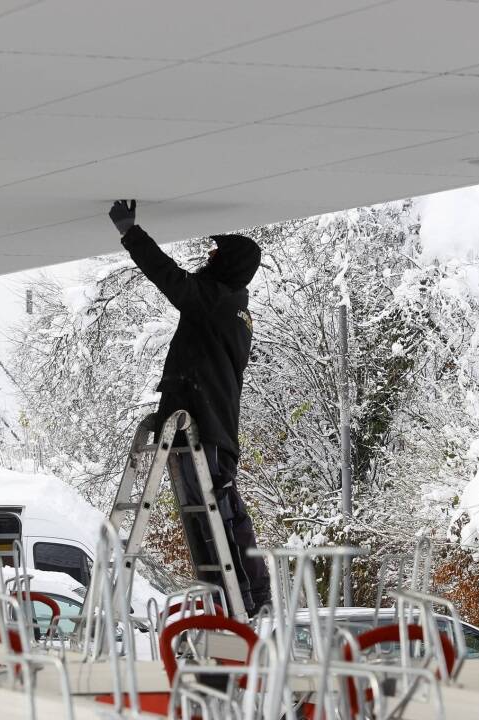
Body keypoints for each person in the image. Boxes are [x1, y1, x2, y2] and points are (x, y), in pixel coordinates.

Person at [108, 199, 270, 616]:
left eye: (216, 254)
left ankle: (246, 598)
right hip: (203, 424)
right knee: (212, 513)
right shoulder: (231, 306)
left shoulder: (217, 300)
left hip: (205, 428)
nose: (208, 257)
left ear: (229, 264)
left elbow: (169, 278)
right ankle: (238, 597)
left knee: (219, 512)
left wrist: (131, 233)